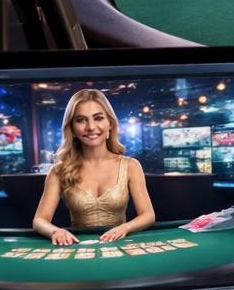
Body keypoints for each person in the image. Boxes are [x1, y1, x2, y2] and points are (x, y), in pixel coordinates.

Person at [32, 89, 155, 245]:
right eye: (81, 120)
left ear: (110, 123)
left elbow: (148, 215)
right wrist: (55, 231)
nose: (91, 127)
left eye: (98, 118)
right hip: (79, 247)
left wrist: (125, 228)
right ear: (72, 129)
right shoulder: (59, 170)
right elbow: (39, 220)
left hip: (119, 245)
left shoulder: (130, 166)